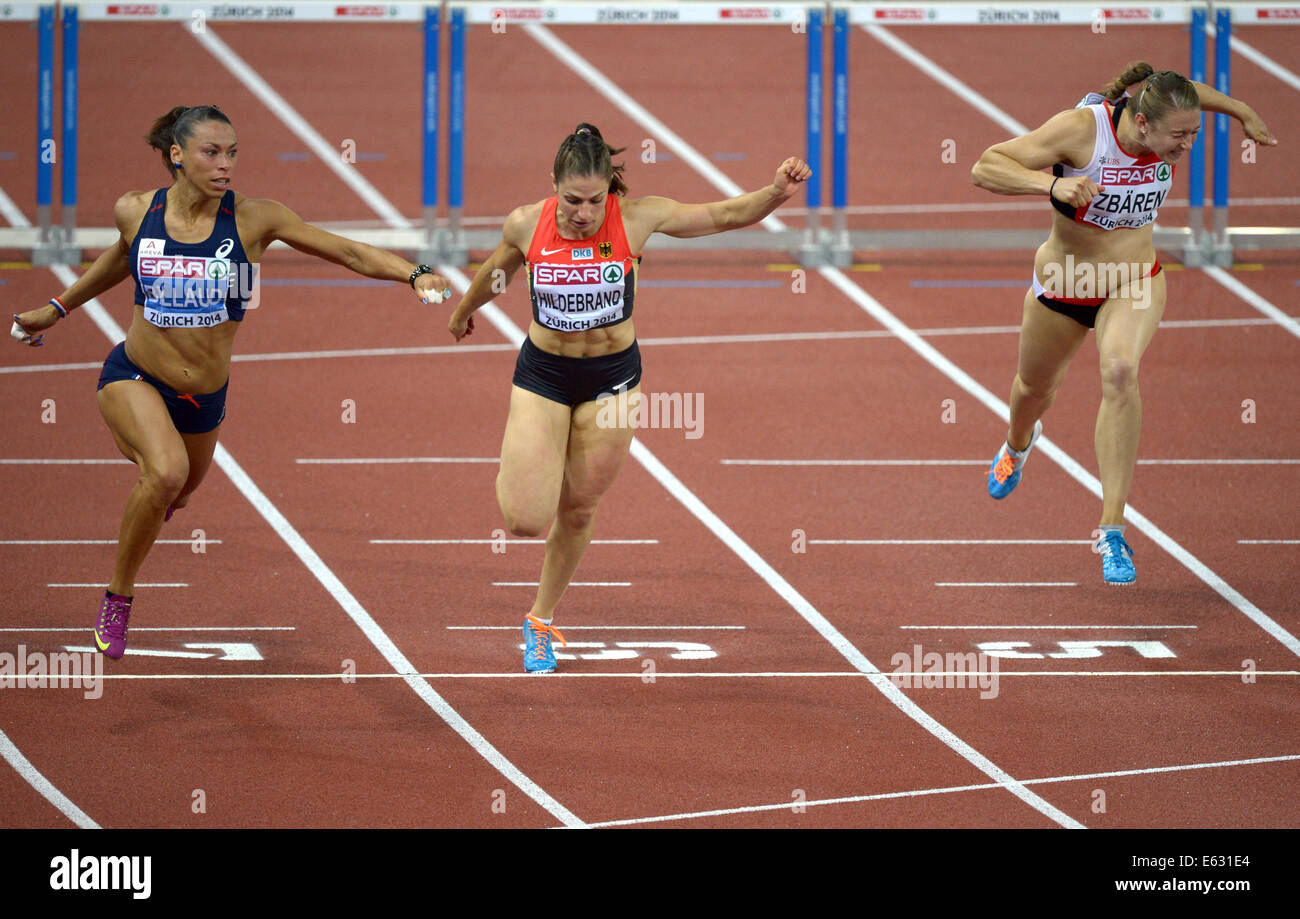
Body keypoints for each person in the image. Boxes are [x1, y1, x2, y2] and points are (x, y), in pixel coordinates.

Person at [10, 104, 453, 658]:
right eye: (212, 153)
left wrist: (412, 273)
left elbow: (343, 249)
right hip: (134, 374)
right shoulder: (135, 209)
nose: (226, 165)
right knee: (166, 473)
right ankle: (117, 599)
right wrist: (58, 306)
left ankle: (161, 492)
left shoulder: (253, 220)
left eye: (233, 153)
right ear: (177, 156)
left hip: (204, 397)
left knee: (183, 490)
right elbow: (122, 258)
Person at [446, 123, 809, 672]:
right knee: (523, 518)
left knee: (581, 506)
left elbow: (724, 216)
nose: (584, 213)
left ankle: (541, 621)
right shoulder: (526, 223)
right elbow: (498, 270)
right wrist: (463, 310)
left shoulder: (637, 218)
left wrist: (775, 192)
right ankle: (525, 461)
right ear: (554, 186)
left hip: (613, 379)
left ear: (610, 190)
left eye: (595, 200)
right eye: (572, 200)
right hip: (545, 374)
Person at [971, 63, 1276, 584]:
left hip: (1132, 278)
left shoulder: (1167, 111)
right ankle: (1018, 445)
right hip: (1066, 281)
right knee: (1032, 389)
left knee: (1119, 371)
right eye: (1178, 136)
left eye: (1194, 133)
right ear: (1140, 124)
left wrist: (1242, 110)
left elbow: (1190, 94)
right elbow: (984, 167)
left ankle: (1112, 530)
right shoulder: (1080, 131)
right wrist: (1049, 186)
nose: (1186, 145)